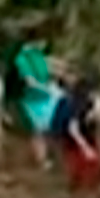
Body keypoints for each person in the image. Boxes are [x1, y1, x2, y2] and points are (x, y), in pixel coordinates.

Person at [52, 70, 100, 192]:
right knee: (80, 161)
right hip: (69, 134)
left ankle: (91, 183)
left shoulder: (93, 100)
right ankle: (78, 187)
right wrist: (85, 148)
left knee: (94, 157)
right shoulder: (77, 102)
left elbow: (96, 116)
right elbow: (72, 129)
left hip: (83, 130)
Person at [13, 34, 63, 168]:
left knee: (48, 129)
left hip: (46, 96)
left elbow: (50, 68)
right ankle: (41, 159)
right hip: (33, 98)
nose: (44, 44)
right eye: (42, 41)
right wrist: (48, 89)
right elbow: (30, 81)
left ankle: (48, 156)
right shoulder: (22, 58)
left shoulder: (38, 55)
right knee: (38, 130)